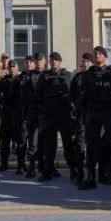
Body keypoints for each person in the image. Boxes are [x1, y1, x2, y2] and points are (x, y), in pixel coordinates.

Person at [79, 46, 111, 190]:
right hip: (93, 112)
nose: (96, 55)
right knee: (91, 145)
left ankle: (103, 175)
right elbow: (82, 93)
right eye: (95, 53)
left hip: (108, 112)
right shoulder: (88, 74)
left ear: (105, 57)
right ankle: (90, 177)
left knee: (108, 144)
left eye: (99, 54)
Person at [36, 52, 73, 181]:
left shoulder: (68, 75)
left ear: (60, 61)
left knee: (68, 144)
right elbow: (39, 94)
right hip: (49, 115)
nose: (53, 62)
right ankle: (48, 171)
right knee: (49, 145)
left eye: (56, 60)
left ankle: (73, 170)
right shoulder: (44, 76)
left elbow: (73, 93)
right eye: (51, 60)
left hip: (64, 114)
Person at [69, 52, 93, 185]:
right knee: (79, 145)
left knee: (93, 146)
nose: (85, 64)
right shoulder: (77, 78)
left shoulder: (95, 76)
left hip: (93, 115)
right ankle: (79, 173)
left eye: (88, 61)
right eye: (83, 61)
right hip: (80, 117)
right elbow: (71, 96)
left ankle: (94, 174)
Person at [15, 55, 41, 177]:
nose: (29, 64)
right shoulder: (20, 78)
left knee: (41, 140)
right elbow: (13, 96)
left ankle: (42, 166)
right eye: (27, 62)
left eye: (31, 62)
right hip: (24, 113)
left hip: (39, 113)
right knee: (25, 140)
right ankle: (24, 165)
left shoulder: (41, 76)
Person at [0, 60, 21, 172]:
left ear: (17, 68)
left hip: (18, 114)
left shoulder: (21, 80)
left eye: (14, 67)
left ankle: (21, 164)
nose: (12, 69)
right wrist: (3, 102)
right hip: (6, 114)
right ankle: (4, 164)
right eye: (10, 67)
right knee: (5, 140)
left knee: (20, 140)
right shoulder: (3, 81)